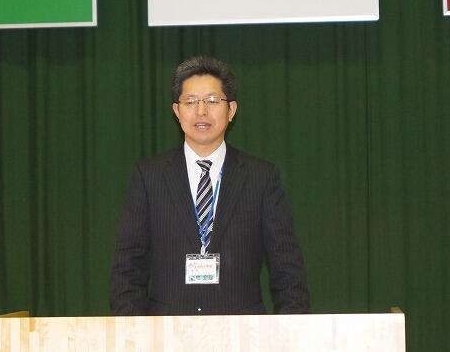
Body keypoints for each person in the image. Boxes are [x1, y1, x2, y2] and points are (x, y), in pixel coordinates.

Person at [110, 56, 310, 315]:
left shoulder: (261, 178)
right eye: (191, 101)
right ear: (177, 111)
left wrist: (291, 330)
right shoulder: (149, 177)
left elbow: (287, 270)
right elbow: (127, 267)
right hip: (167, 330)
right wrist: (133, 331)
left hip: (243, 330)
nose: (201, 111)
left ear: (231, 110)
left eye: (212, 101)